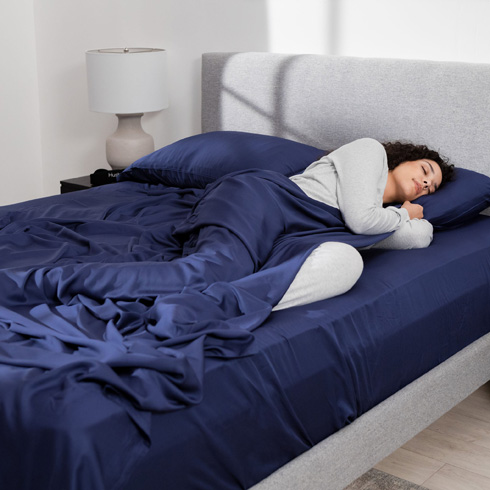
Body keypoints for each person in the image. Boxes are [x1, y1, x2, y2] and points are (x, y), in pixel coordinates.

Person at [273, 138, 454, 310]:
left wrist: (400, 217)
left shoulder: (382, 218)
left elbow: (419, 236)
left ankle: (248, 302)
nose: (426, 183)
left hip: (293, 239)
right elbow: (361, 221)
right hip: (272, 205)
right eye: (424, 170)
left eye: (430, 188)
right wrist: (405, 213)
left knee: (348, 262)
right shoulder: (370, 150)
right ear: (405, 159)